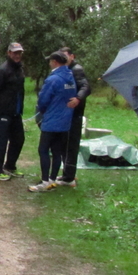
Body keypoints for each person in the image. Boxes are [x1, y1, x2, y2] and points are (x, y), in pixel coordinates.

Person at [27, 51, 75, 192]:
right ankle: (53, 179)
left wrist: (41, 112)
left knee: (43, 150)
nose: (49, 63)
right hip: (65, 121)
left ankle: (45, 180)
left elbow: (43, 100)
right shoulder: (70, 77)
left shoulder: (53, 79)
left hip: (52, 121)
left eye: (50, 61)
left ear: (54, 62)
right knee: (57, 151)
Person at [0, 42, 26, 182]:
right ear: (9, 53)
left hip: (16, 112)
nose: (17, 55)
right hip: (3, 112)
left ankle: (10, 166)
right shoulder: (2, 70)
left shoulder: (20, 69)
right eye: (15, 53)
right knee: (1, 142)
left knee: (19, 139)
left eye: (19, 53)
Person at [56, 47, 91, 187]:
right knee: (65, 144)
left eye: (65, 56)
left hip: (74, 114)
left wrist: (78, 98)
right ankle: (67, 174)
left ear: (72, 56)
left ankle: (69, 177)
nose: (63, 59)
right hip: (67, 114)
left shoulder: (76, 69)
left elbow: (86, 87)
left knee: (71, 145)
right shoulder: (65, 70)